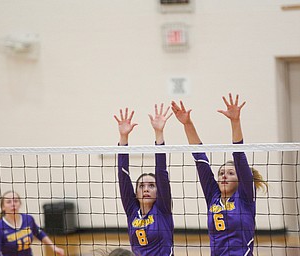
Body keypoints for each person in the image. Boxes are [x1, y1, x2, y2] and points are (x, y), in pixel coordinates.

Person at [171, 93, 267, 256]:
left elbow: (238, 155)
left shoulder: (245, 196)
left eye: (230, 173)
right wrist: (187, 124)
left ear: (240, 180)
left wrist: (235, 121)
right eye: (221, 173)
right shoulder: (213, 196)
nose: (224, 176)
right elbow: (200, 158)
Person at [114, 104, 174, 256]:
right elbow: (123, 176)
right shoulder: (132, 211)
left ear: (158, 191)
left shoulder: (163, 209)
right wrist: (123, 138)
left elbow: (161, 171)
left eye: (152, 185)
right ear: (135, 193)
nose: (146, 189)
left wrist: (159, 133)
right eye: (141, 186)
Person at [0, 190, 65, 256]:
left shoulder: (28, 219)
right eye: (8, 202)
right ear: (3, 207)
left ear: (20, 204)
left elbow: (39, 233)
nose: (13, 204)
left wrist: (54, 247)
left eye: (15, 201)